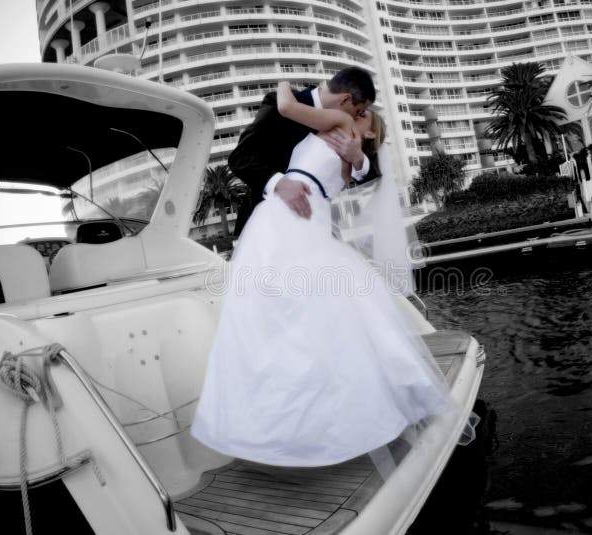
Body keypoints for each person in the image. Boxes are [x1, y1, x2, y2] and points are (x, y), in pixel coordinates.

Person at [190, 81, 453, 467]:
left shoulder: (339, 124)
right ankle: (331, 413)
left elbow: (287, 108)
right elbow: (363, 173)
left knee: (273, 314)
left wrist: (283, 84)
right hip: (303, 218)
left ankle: (290, 422)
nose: (355, 116)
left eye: (360, 114)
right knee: (309, 316)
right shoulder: (351, 153)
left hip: (287, 216)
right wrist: (359, 158)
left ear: (360, 120)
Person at [229, 67, 378, 235]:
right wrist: (281, 184)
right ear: (345, 99)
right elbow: (240, 157)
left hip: (315, 227)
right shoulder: (280, 102)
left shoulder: (347, 135)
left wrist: (358, 158)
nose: (356, 118)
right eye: (358, 112)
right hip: (264, 225)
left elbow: (373, 184)